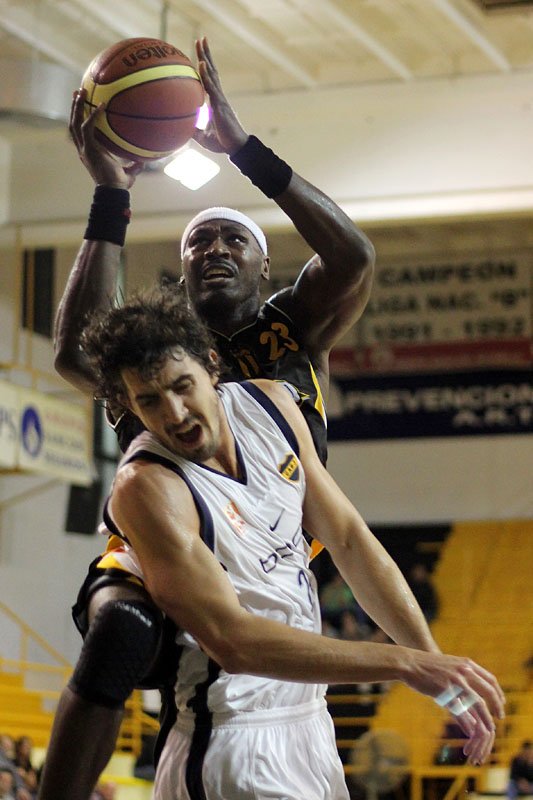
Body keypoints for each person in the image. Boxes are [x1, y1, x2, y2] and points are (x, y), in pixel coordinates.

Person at [39, 35, 375, 800]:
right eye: (198, 241)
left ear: (264, 266)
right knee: (121, 631)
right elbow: (76, 355)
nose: (214, 248)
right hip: (164, 540)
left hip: (269, 554)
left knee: (229, 727)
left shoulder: (294, 327)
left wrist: (243, 149)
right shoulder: (155, 350)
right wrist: (110, 192)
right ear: (181, 268)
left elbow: (352, 258)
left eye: (233, 239)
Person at [71, 286, 503, 800]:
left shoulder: (272, 405)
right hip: (232, 739)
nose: (176, 412)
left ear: (212, 366)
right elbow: (231, 641)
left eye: (183, 386)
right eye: (150, 400)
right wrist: (405, 664)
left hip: (310, 722)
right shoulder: (147, 487)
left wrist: (435, 665)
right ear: (128, 404)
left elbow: (349, 540)